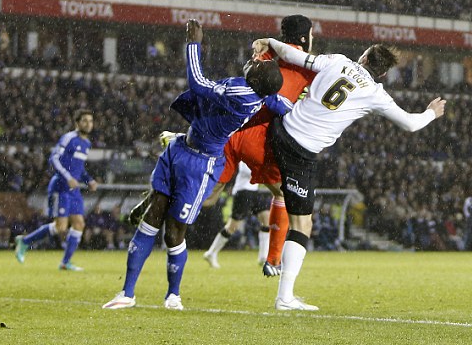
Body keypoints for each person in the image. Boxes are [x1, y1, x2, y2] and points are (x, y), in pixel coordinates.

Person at [102, 19, 288, 310]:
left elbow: (198, 84)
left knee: (174, 232)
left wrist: (193, 43)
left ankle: (173, 295)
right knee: (152, 218)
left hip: (200, 165)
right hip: (180, 148)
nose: (253, 62)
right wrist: (296, 108)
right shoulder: (258, 94)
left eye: (258, 65)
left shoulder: (242, 94)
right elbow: (276, 102)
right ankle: (127, 293)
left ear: (257, 81)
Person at [253, 37, 447, 310]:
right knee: (302, 226)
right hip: (300, 152)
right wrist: (430, 113)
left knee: (273, 186)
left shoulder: (338, 61)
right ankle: (284, 297)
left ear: (364, 58)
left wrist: (269, 42)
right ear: (382, 73)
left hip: (279, 130)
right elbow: (410, 124)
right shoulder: (376, 94)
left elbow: (293, 55)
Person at [137, 15, 317, 277]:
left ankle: (159, 196)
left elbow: (253, 66)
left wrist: (264, 43)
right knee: (282, 194)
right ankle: (273, 260)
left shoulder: (267, 53)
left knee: (207, 197)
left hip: (232, 131)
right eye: (310, 35)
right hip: (261, 138)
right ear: (303, 37)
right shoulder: (308, 64)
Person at [14, 109, 98, 271]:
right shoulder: (69, 138)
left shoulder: (87, 144)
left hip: (73, 190)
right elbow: (54, 158)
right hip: (61, 186)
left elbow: (79, 168)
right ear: (77, 123)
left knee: (79, 224)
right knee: (60, 227)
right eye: (85, 120)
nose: (88, 124)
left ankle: (65, 262)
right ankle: (24, 241)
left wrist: (89, 180)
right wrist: (67, 177)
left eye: (91, 121)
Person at [203, 161, 272, 268]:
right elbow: (246, 171)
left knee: (267, 220)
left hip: (255, 190)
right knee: (232, 226)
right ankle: (211, 253)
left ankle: (263, 257)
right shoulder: (246, 154)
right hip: (243, 191)